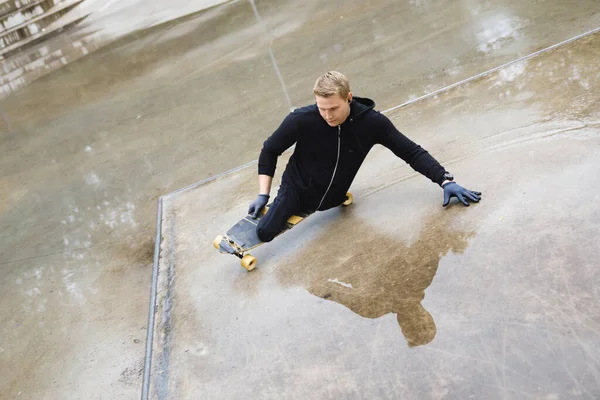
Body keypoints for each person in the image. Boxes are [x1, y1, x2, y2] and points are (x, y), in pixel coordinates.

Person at [248, 71, 481, 243]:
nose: (327, 116)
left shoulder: (372, 123)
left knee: (329, 201)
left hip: (335, 197)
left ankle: (326, 200)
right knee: (264, 233)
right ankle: (278, 205)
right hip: (297, 188)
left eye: (333, 108)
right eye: (322, 108)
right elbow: (270, 150)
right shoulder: (301, 120)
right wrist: (262, 194)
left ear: (348, 97)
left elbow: (410, 151)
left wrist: (445, 180)